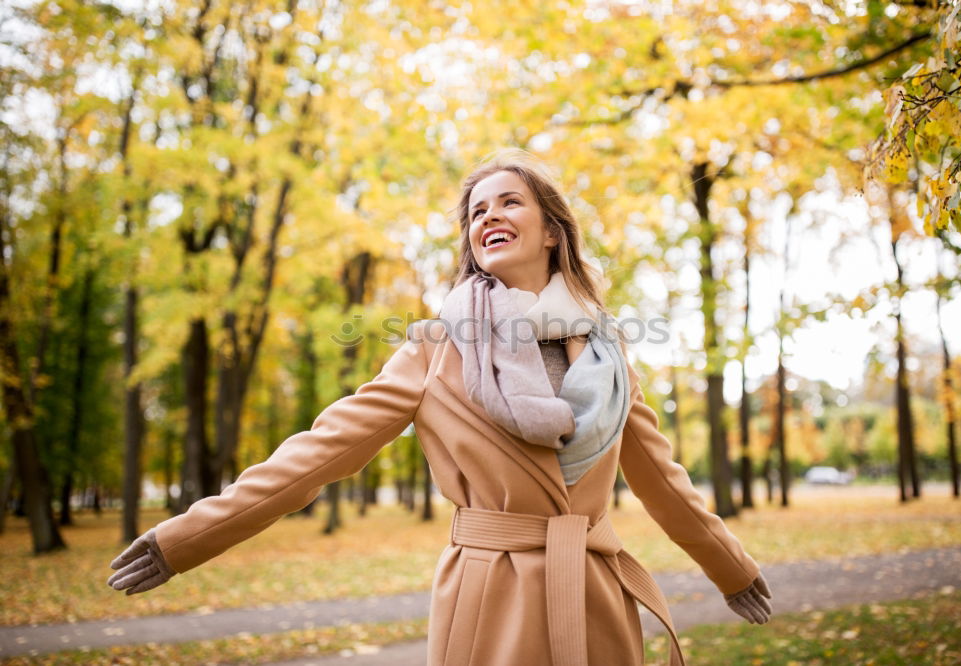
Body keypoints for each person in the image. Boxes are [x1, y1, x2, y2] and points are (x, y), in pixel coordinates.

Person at [107, 149, 772, 665]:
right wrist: (187, 537)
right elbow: (318, 454)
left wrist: (730, 566)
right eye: (477, 211)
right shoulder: (434, 348)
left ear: (550, 232)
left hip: (595, 595)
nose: (489, 217)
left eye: (509, 202)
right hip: (491, 599)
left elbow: (663, 481)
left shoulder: (605, 353)